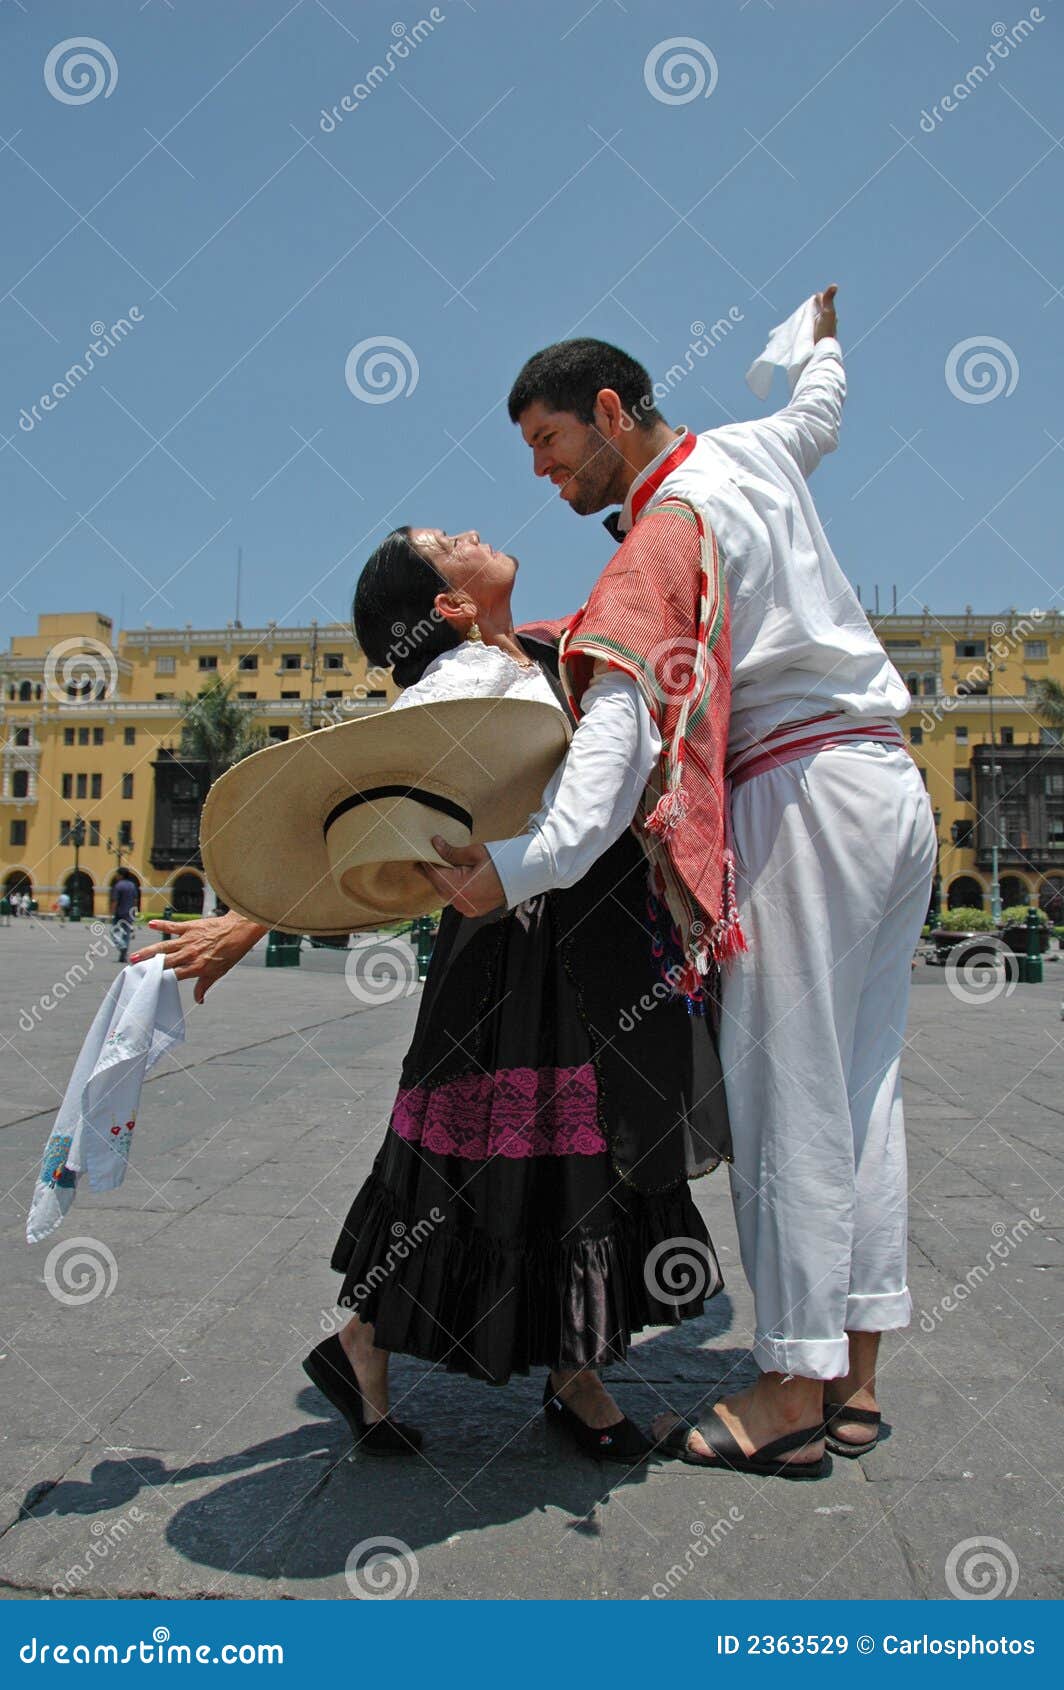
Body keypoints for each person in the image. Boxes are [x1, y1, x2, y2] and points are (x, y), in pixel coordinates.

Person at [423, 287, 935, 1479]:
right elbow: (820, 409)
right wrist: (806, 340)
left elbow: (611, 750)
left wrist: (513, 869)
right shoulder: (748, 452)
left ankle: (787, 1391)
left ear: (607, 409)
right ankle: (855, 1377)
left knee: (790, 1101)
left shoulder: (661, 535)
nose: (545, 477)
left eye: (550, 443)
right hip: (883, 784)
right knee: (864, 1087)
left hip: (796, 795)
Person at [132, 526, 731, 1463]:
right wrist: (249, 918)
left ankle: (575, 1369)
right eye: (450, 542)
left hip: (587, 944)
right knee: (479, 1162)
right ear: (448, 605)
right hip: (504, 957)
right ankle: (367, 1345)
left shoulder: (547, 648)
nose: (475, 533)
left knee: (587, 1149)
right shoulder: (452, 689)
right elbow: (364, 824)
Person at [110, 870, 139, 963]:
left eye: (117, 874)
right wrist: (134, 910)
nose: (116, 876)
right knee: (126, 933)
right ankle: (123, 953)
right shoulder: (132, 885)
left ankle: (122, 946)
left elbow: (115, 900)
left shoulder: (118, 885)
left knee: (114, 932)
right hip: (129, 913)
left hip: (119, 913)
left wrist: (112, 911)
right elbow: (135, 899)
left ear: (121, 875)